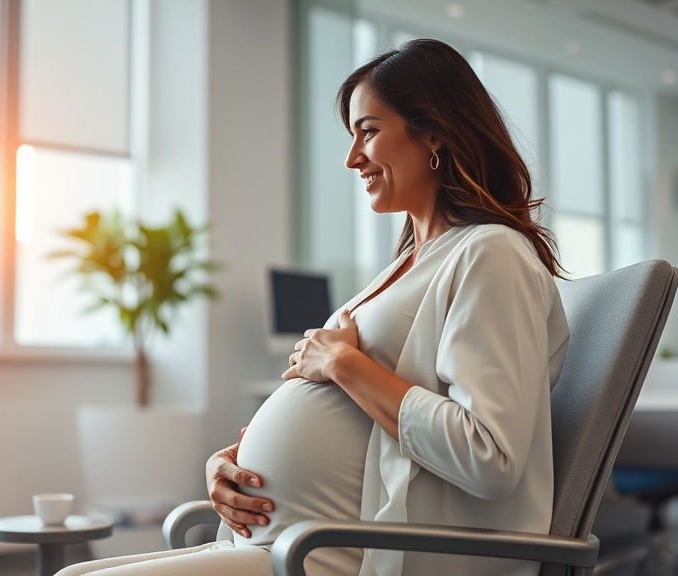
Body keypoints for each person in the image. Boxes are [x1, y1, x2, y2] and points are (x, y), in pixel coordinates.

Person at [55, 38, 569, 576]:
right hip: (272, 542)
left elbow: (491, 457)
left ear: (435, 130)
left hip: (328, 554)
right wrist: (230, 466)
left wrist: (344, 365)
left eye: (368, 131)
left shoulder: (491, 252)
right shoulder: (407, 265)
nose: (352, 159)